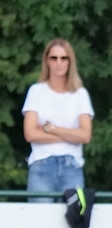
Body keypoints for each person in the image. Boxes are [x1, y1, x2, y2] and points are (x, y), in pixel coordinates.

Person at [22, 38, 93, 202]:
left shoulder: (80, 94)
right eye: (54, 58)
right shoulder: (36, 91)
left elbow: (85, 136)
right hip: (41, 164)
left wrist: (51, 128)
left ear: (70, 61)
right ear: (47, 61)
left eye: (63, 58)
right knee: (40, 217)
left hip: (72, 166)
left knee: (74, 216)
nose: (58, 63)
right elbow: (30, 134)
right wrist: (71, 135)